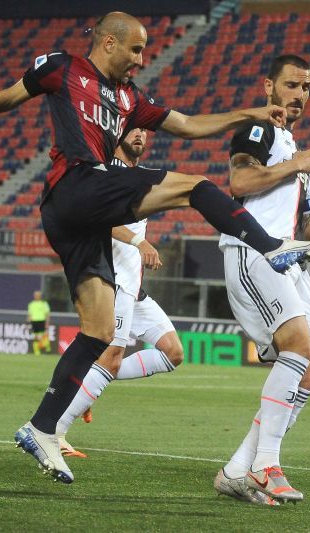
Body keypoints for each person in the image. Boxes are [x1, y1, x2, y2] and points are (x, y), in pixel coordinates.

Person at [0, 12, 310, 484]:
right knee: (195, 186)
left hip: (80, 221)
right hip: (77, 183)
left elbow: (189, 125)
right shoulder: (61, 68)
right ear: (109, 42)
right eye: (136, 49)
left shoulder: (131, 98)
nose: (141, 59)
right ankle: (270, 246)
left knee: (97, 332)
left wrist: (249, 112)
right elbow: (10, 96)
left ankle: (42, 427)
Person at [215, 55, 310, 505]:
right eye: (292, 85)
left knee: (309, 373)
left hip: (286, 255)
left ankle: (237, 470)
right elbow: (239, 181)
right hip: (253, 249)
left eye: (306, 87)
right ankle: (267, 466)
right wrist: (295, 163)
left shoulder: (293, 146)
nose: (300, 94)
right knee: (299, 349)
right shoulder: (258, 129)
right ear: (269, 86)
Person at [55, 128, 184, 458]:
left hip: (133, 287)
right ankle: (56, 430)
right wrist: (139, 241)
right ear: (118, 135)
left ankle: (87, 383)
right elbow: (97, 219)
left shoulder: (138, 177)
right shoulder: (106, 173)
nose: (140, 134)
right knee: (110, 360)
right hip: (113, 282)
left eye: (145, 130)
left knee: (172, 353)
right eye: (134, 129)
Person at [28, 291, 51, 355]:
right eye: (35, 295)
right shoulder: (31, 304)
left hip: (41, 321)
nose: (36, 296)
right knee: (36, 336)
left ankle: (47, 347)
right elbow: (30, 314)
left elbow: (47, 314)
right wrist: (28, 322)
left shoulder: (44, 304)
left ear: (40, 296)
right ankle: (36, 351)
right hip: (34, 322)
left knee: (43, 336)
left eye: (37, 295)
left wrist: (47, 322)